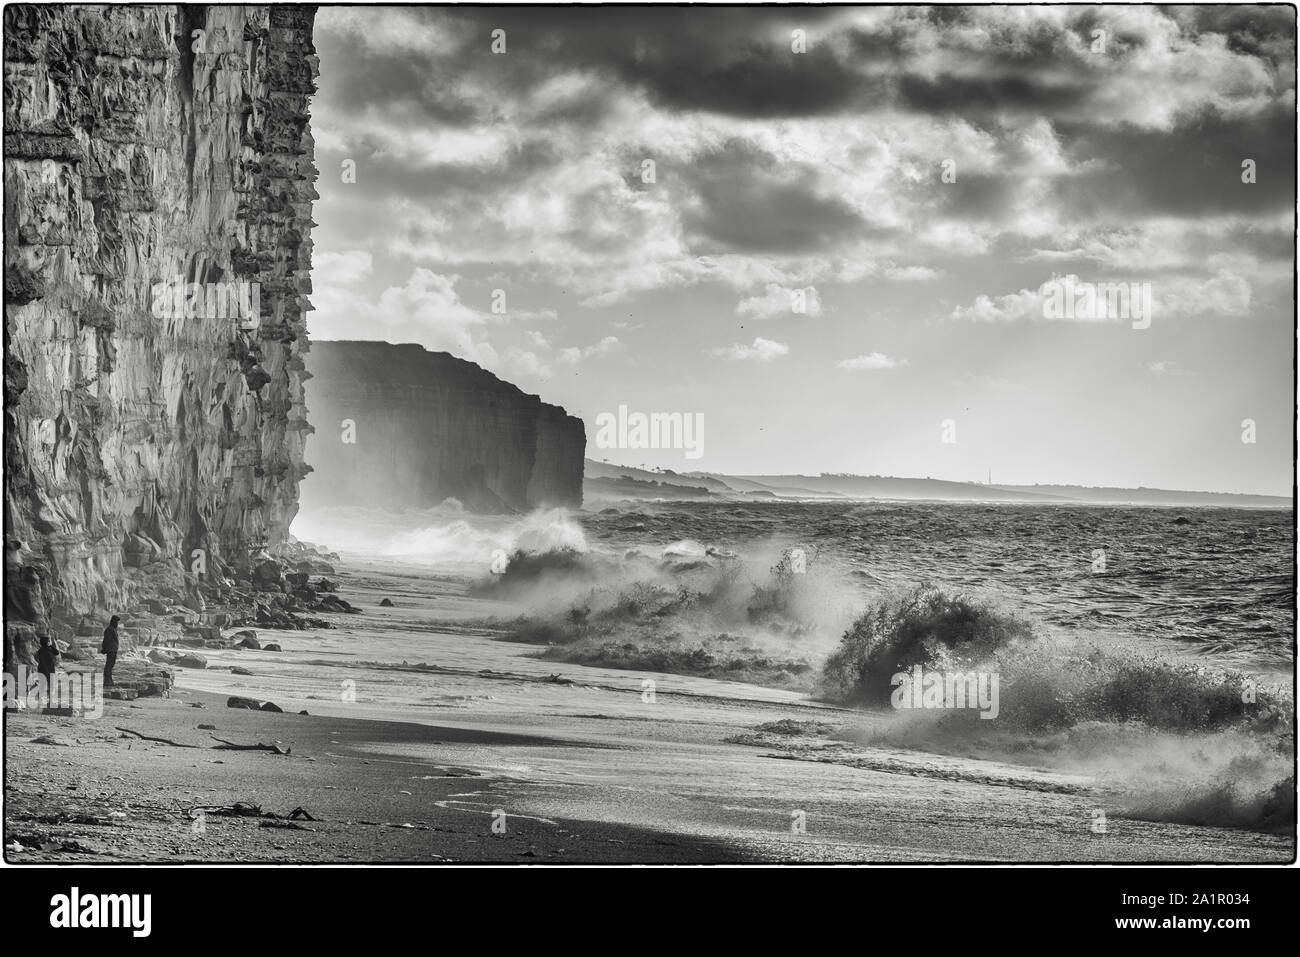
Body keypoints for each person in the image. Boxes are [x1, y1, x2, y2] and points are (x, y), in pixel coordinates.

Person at [36, 634, 59, 708]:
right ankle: (40, 701)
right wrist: (46, 673)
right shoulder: (41, 651)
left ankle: (51, 701)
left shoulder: (49, 648)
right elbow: (43, 662)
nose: (50, 642)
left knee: (51, 686)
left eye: (49, 641)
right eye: (48, 641)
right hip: (44, 671)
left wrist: (51, 646)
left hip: (51, 670)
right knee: (43, 686)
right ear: (45, 642)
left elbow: (57, 652)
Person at [101, 615, 120, 686]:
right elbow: (106, 640)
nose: (117, 624)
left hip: (113, 650)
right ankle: (107, 681)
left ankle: (109, 680)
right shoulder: (109, 629)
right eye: (116, 622)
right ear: (113, 622)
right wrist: (104, 649)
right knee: (109, 665)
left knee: (111, 665)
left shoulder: (113, 629)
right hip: (111, 650)